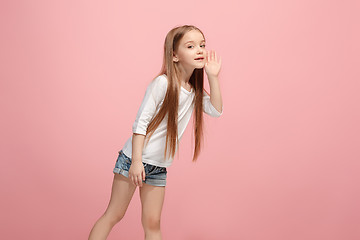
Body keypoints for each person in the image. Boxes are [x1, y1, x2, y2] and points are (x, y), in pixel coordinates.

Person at [88, 24, 223, 240]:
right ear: (174, 55)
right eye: (191, 46)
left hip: (158, 166)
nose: (199, 50)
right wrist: (136, 162)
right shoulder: (163, 83)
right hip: (134, 159)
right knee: (114, 214)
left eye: (202, 45)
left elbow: (216, 111)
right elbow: (140, 124)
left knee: (152, 223)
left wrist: (213, 77)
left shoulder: (194, 90)